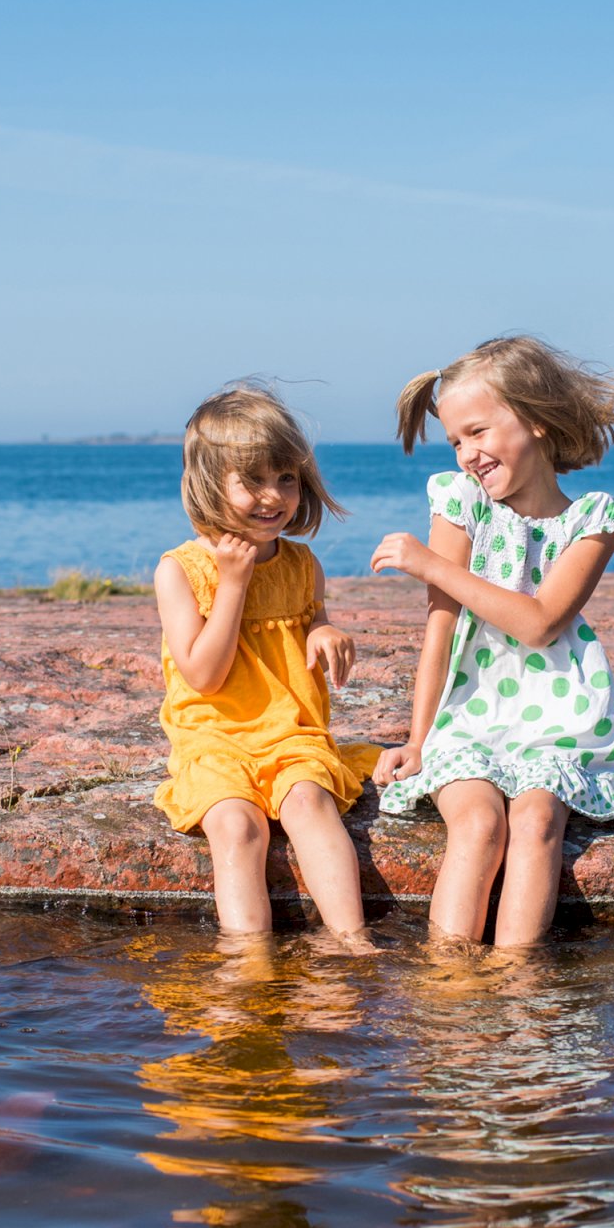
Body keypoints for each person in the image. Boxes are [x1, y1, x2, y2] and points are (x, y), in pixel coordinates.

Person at [371, 336, 614, 946]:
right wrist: (418, 741)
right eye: (456, 441)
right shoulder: (461, 502)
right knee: (477, 825)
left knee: (539, 818)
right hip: (469, 714)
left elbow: (541, 622)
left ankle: (521, 992)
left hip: (559, 720)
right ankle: (449, 988)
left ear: (537, 421)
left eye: (478, 432)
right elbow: (439, 630)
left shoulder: (592, 520)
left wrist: (433, 566)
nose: (467, 454)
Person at [155, 384, 377, 939]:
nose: (272, 495)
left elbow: (314, 613)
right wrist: (233, 584)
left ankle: (351, 942)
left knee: (309, 804)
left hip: (290, 733)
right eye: (252, 480)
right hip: (214, 738)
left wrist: (324, 629)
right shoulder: (181, 571)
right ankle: (248, 958)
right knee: (237, 826)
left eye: (286, 478)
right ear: (210, 483)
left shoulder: (302, 563)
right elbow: (203, 675)